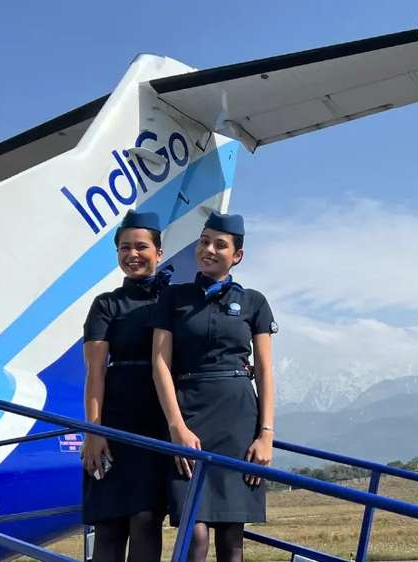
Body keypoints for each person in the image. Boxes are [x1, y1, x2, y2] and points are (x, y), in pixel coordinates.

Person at [150, 211, 277, 562]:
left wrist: (266, 435)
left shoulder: (254, 302)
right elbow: (160, 364)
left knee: (232, 538)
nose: (208, 250)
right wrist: (176, 427)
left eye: (220, 245)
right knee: (194, 533)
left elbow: (264, 370)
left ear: (237, 255)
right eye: (204, 242)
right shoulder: (173, 298)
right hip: (187, 416)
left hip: (238, 422)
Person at [82, 210, 172, 562]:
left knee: (147, 521)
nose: (132, 254)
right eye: (124, 248)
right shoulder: (106, 304)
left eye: (140, 247)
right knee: (109, 526)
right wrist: (94, 430)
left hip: (157, 423)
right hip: (115, 421)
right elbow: (95, 372)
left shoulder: (174, 301)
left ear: (159, 252)